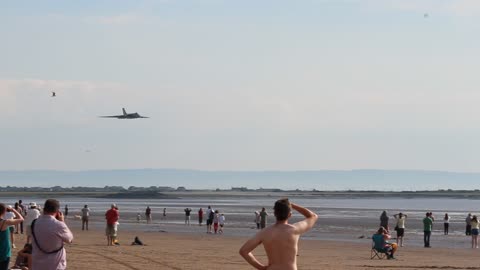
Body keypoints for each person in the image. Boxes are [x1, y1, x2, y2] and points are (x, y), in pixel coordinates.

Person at [239, 199, 318, 270]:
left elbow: (244, 251)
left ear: (275, 214)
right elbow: (313, 216)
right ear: (289, 215)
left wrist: (260, 267)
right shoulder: (294, 229)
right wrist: (293, 205)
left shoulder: (264, 232)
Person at [31, 199, 73, 270]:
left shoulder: (34, 223)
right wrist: (62, 222)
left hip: (37, 264)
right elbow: (70, 239)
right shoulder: (58, 225)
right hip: (55, 265)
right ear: (57, 212)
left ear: (44, 209)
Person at [0, 203, 24, 270]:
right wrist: (13, 210)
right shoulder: (5, 222)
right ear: (4, 211)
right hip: (4, 252)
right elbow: (21, 219)